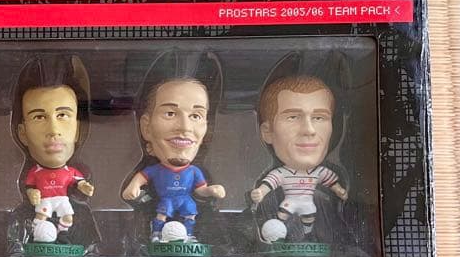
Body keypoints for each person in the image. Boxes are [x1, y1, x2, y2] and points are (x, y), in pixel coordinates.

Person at [122, 78, 225, 242]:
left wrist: (211, 191)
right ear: (146, 127)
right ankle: (156, 234)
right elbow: (141, 178)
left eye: (195, 116)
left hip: (185, 199)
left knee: (190, 214)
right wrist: (133, 187)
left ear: (206, 129)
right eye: (170, 114)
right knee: (162, 214)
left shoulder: (194, 172)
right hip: (167, 200)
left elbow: (200, 190)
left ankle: (189, 235)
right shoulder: (156, 170)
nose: (185, 127)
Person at [249, 75, 348, 240]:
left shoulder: (323, 180)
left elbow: (331, 182)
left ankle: (307, 235)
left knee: (309, 218)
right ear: (268, 132)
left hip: (310, 209)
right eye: (292, 117)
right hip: (287, 205)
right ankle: (279, 234)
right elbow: (270, 183)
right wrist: (260, 192)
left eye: (319, 118)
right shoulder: (281, 174)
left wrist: (339, 190)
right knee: (282, 216)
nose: (309, 130)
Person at [16, 60, 95, 243]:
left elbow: (79, 181)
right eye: (39, 117)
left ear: (77, 130)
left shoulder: (70, 172)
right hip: (44, 202)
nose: (53, 130)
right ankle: (39, 233)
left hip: (62, 200)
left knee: (67, 217)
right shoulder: (35, 172)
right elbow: (29, 186)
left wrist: (84, 186)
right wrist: (31, 193)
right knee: (41, 218)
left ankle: (62, 234)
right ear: (22, 133)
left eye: (63, 115)